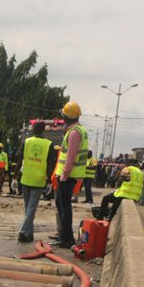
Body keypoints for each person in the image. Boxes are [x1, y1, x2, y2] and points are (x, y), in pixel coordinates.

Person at [53, 101, 88, 248]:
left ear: (68, 117)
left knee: (64, 206)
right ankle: (64, 237)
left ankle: (66, 239)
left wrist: (64, 175)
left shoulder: (74, 133)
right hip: (72, 175)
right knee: (62, 205)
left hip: (68, 176)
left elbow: (70, 157)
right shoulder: (80, 130)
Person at [17, 120, 57, 243]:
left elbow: (19, 159)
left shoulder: (26, 142)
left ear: (33, 129)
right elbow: (51, 164)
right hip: (39, 180)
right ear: (43, 130)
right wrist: (50, 180)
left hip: (26, 178)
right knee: (31, 208)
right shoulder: (49, 144)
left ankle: (27, 233)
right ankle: (25, 232)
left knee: (28, 208)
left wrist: (15, 176)